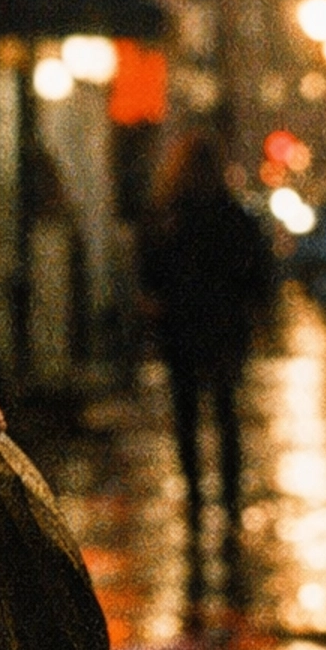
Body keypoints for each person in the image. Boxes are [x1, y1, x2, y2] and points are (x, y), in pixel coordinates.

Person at [136, 130, 274, 538]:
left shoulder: (168, 215)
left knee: (188, 415)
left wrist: (156, 309)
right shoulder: (232, 215)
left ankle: (197, 499)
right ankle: (229, 502)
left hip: (182, 327)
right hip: (224, 328)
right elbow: (256, 269)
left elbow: (150, 273)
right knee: (225, 412)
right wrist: (255, 313)